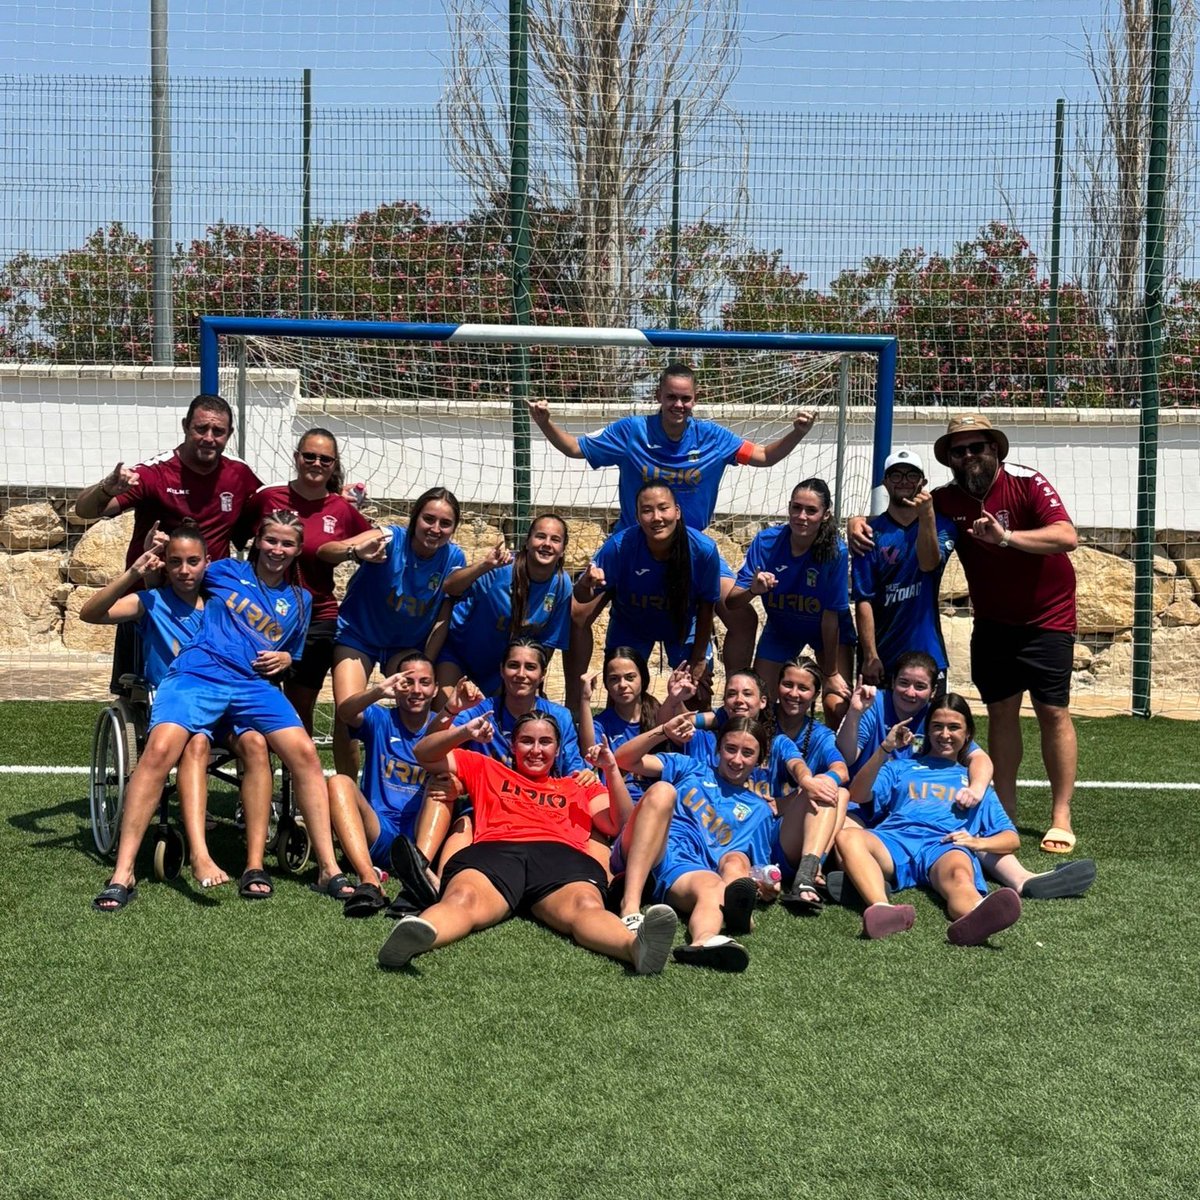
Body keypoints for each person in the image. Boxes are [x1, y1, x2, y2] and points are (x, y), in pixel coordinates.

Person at [90, 511, 371, 912]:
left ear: (297, 551)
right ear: (257, 541)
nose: (277, 549)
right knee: (159, 751)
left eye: (287, 544)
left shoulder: (301, 600)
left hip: (251, 685)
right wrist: (147, 560)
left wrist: (287, 659)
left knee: (305, 752)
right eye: (270, 540)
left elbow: (288, 652)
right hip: (198, 674)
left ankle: (328, 868)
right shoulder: (221, 571)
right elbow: (175, 572)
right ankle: (123, 873)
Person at [849, 415, 1080, 853]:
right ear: (949, 459)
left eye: (978, 447)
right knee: (1001, 714)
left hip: (1047, 617)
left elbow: (1067, 536)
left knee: (1053, 713)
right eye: (959, 450)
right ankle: (1005, 810)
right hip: (992, 622)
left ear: (996, 450)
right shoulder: (944, 500)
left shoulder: (1027, 483)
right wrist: (855, 520)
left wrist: (1006, 537)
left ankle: (1060, 815)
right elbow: (904, 510)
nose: (969, 456)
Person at [527, 362, 818, 703]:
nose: (678, 405)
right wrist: (545, 423)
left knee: (742, 617)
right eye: (671, 398)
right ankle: (577, 709)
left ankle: (733, 707)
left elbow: (765, 455)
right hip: (632, 548)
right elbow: (575, 448)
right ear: (658, 397)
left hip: (690, 552)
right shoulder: (632, 432)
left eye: (685, 398)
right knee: (576, 614)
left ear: (696, 399)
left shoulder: (713, 438)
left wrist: (798, 432)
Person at [377, 712, 680, 975]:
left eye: (545, 742)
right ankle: (417, 937)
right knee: (463, 898)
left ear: (558, 749)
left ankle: (634, 948)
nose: (536, 750)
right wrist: (464, 732)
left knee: (586, 906)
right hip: (495, 850)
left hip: (560, 856)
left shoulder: (578, 784)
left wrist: (611, 770)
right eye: (527, 741)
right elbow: (423, 753)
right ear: (513, 745)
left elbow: (618, 822)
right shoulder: (487, 768)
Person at [79, 524, 274, 893]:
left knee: (257, 745)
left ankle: (254, 864)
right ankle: (127, 869)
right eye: (176, 562)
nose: (185, 570)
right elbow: (91, 614)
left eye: (193, 561)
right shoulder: (151, 602)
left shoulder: (226, 605)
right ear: (164, 566)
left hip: (226, 704)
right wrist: (135, 573)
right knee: (194, 745)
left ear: (208, 563)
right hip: (177, 703)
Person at [73, 393, 263, 691]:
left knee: (214, 686)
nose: (209, 438)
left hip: (207, 606)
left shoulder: (239, 474)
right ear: (186, 425)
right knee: (138, 694)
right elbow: (86, 510)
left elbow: (274, 514)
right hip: (150, 604)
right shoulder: (156, 473)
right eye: (201, 429)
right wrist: (105, 489)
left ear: (229, 434)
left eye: (218, 432)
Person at [331, 486, 498, 776]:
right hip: (359, 637)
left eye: (445, 523)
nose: (435, 528)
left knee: (423, 705)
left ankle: (414, 779)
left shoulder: (452, 557)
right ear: (414, 518)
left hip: (404, 647)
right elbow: (327, 551)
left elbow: (447, 603)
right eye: (428, 519)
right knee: (348, 714)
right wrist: (355, 552)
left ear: (454, 528)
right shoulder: (389, 538)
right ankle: (347, 790)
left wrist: (425, 659)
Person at [834, 694, 1023, 945]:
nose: (944, 734)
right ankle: (882, 907)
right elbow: (858, 794)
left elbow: (1011, 838)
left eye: (954, 727)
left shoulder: (976, 784)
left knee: (959, 874)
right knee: (847, 836)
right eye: (937, 726)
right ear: (927, 730)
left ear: (968, 735)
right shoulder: (901, 767)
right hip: (896, 840)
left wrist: (977, 844)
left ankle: (977, 913)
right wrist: (884, 749)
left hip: (944, 845)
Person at [611, 716, 789, 972]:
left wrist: (766, 886)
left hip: (687, 869)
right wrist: (663, 731)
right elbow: (623, 760)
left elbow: (759, 870)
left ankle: (704, 940)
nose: (737, 759)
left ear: (760, 761)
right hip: (646, 844)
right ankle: (630, 909)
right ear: (718, 749)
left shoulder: (759, 811)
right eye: (730, 749)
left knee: (716, 886)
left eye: (747, 753)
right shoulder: (691, 768)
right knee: (663, 791)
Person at [245, 428, 373, 734]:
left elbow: (375, 538)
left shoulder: (341, 510)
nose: (316, 463)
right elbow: (234, 537)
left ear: (334, 465)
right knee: (250, 700)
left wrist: (354, 550)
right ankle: (252, 766)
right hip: (261, 615)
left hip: (316, 618)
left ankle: (296, 778)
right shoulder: (268, 498)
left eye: (325, 459)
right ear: (297, 458)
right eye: (310, 456)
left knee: (299, 708)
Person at [726, 477, 855, 725]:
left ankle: (833, 759)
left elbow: (831, 619)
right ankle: (766, 755)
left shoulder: (835, 552)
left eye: (811, 510)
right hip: (782, 629)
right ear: (788, 508)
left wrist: (831, 673)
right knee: (759, 704)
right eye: (796, 507)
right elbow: (732, 602)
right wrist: (753, 590)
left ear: (826, 515)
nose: (802, 516)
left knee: (837, 704)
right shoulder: (766, 542)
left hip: (827, 633)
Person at [573, 483, 721, 695]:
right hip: (631, 625)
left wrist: (698, 659)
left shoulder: (703, 550)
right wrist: (584, 585)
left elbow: (707, 606)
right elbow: (582, 596)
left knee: (696, 692)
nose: (656, 517)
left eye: (663, 508)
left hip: (683, 626)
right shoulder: (619, 546)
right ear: (637, 516)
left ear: (677, 512)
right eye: (647, 510)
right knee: (621, 693)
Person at [327, 653, 441, 918]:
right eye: (407, 682)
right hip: (378, 830)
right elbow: (345, 713)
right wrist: (378, 691)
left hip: (424, 838)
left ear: (435, 689)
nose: (416, 690)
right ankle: (369, 881)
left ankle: (425, 872)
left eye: (425, 683)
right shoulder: (381, 719)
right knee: (339, 782)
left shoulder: (442, 726)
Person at [850, 449, 958, 686]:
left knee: (930, 723)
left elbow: (929, 563)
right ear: (885, 482)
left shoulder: (943, 526)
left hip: (928, 654)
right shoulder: (869, 533)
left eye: (911, 475)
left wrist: (927, 516)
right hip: (882, 656)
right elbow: (864, 599)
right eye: (896, 475)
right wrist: (869, 655)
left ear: (923, 482)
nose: (904, 481)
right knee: (874, 722)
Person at [437, 514, 572, 697]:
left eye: (555, 539)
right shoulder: (501, 568)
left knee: (504, 718)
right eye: (540, 536)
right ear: (527, 542)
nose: (547, 543)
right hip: (459, 654)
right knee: (448, 711)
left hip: (501, 671)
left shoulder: (562, 585)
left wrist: (533, 683)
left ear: (563, 549)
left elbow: (547, 643)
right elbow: (450, 587)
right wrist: (484, 565)